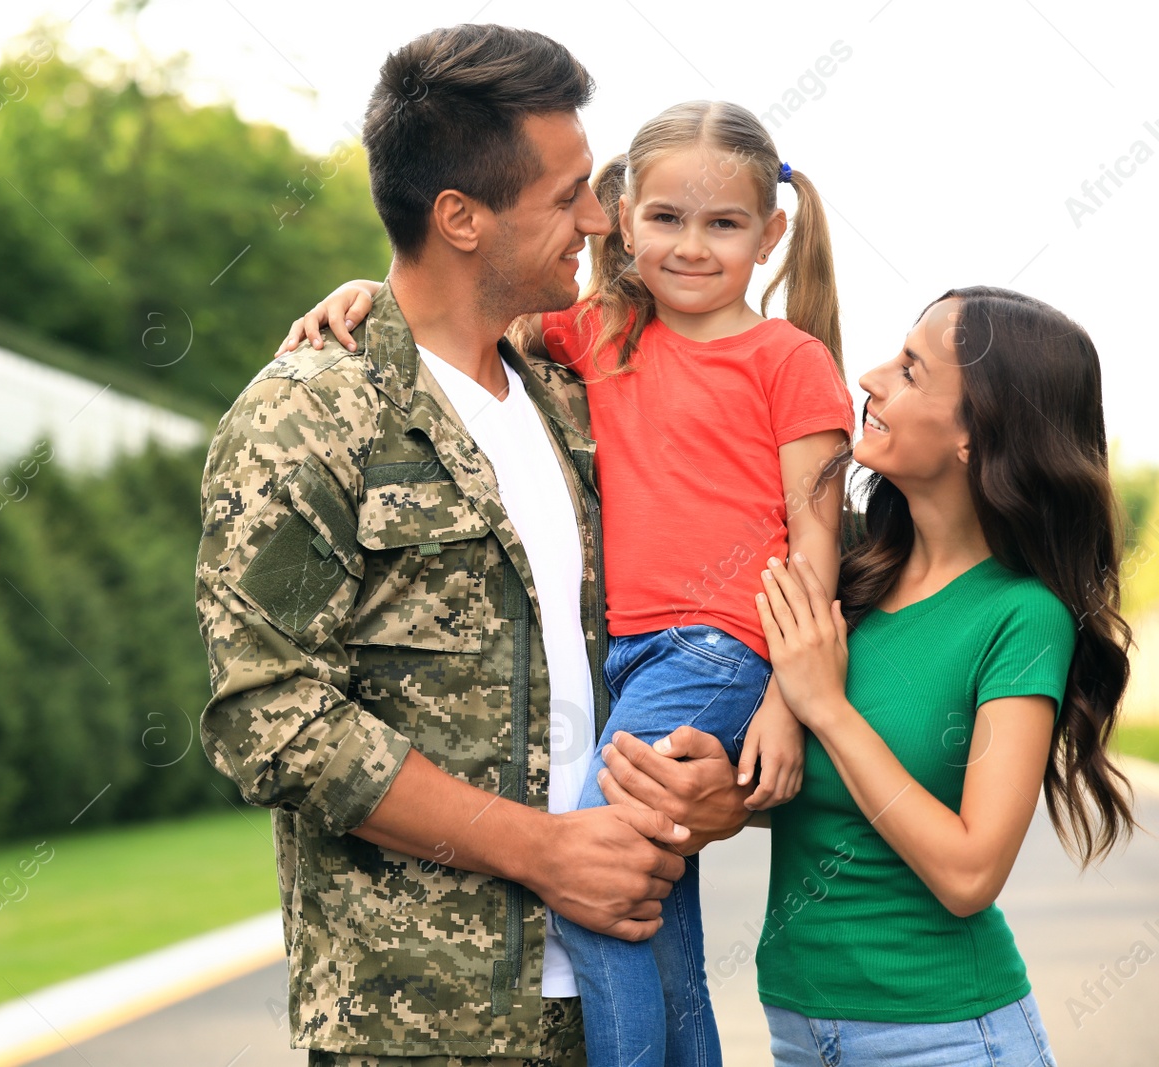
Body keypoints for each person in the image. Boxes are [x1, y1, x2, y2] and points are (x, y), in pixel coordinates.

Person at [196, 26, 754, 1067]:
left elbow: (701, 608)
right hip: (425, 1029)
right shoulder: (310, 415)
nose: (602, 221)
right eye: (570, 194)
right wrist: (546, 854)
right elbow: (266, 714)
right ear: (460, 216)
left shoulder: (580, 400)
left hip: (620, 995)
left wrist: (733, 785)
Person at [278, 100, 854, 1067]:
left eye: (724, 224)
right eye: (666, 218)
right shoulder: (599, 336)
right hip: (625, 654)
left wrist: (791, 704)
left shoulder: (787, 360)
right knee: (649, 905)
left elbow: (816, 538)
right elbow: (448, 310)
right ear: (624, 220)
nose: (691, 246)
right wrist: (362, 294)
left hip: (719, 646)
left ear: (772, 233)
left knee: (592, 874)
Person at [752, 287, 1136, 1066]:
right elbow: (801, 794)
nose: (869, 376)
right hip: (798, 1027)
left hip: (943, 1038)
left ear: (976, 435)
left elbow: (970, 872)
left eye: (911, 371)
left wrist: (827, 707)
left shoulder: (1022, 617)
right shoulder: (847, 577)